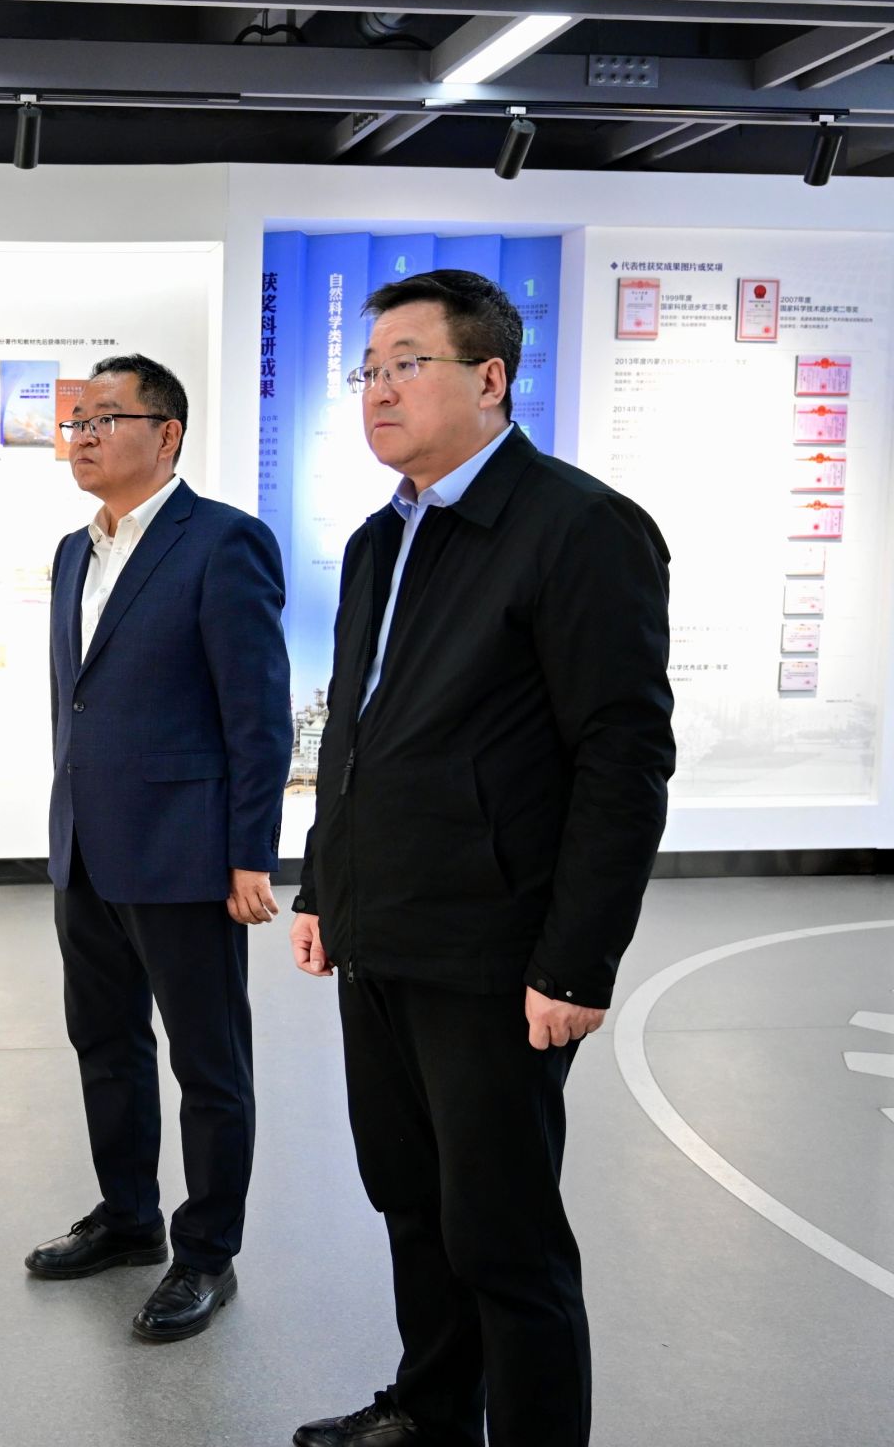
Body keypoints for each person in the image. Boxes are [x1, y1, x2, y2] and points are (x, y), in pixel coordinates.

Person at [287, 271, 674, 1447]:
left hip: (495, 950)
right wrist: (323, 887)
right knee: (408, 1201)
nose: (378, 390)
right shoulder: (380, 539)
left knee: (502, 1236)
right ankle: (432, 1409)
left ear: (489, 378)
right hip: (382, 932)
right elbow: (352, 730)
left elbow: (620, 756)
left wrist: (576, 961)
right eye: (367, 370)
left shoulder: (575, 528)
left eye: (406, 364)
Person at [26, 354, 293, 1342]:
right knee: (104, 1043)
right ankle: (129, 1218)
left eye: (106, 417)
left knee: (208, 1065)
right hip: (86, 849)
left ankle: (207, 1252)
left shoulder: (222, 542)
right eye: (77, 421)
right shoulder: (73, 551)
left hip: (186, 853)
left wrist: (250, 853)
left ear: (166, 433)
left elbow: (257, 714)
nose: (83, 435)